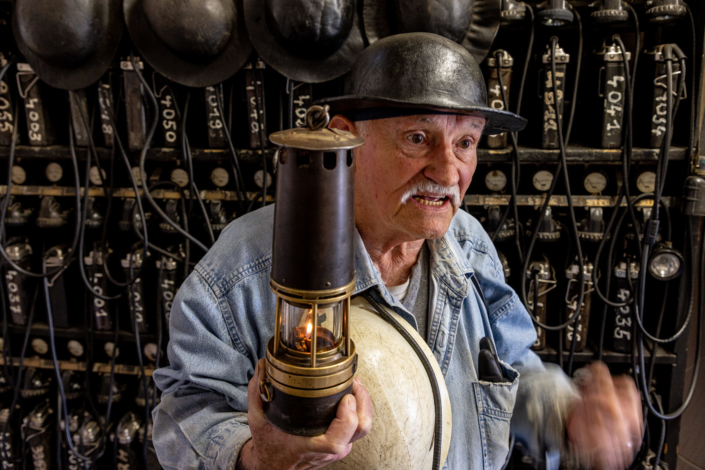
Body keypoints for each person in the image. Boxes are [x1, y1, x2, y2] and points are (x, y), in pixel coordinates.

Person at [151, 33, 642, 470]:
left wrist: (569, 414)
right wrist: (258, 459)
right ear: (344, 137)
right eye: (417, 138)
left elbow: (509, 367)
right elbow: (185, 418)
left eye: (466, 142)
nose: (448, 172)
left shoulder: (467, 243)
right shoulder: (241, 270)